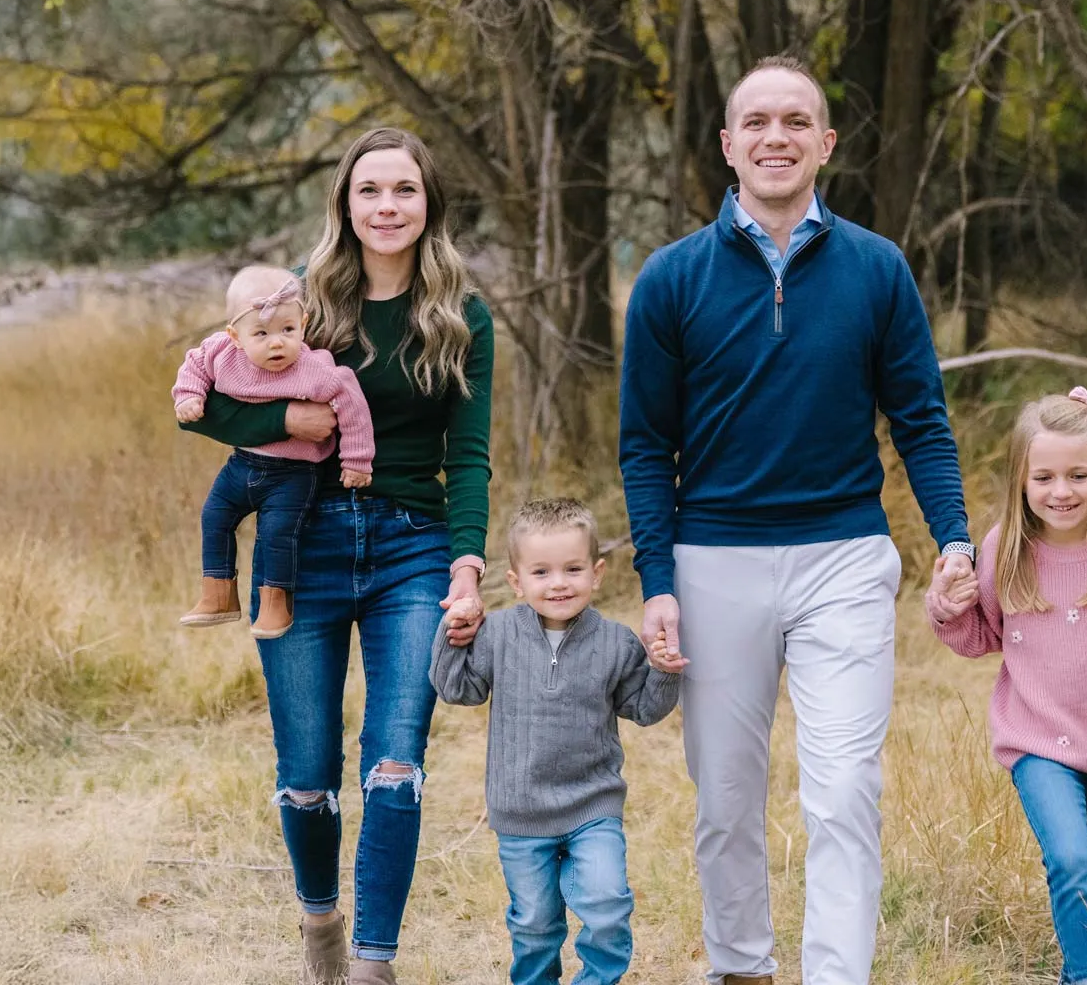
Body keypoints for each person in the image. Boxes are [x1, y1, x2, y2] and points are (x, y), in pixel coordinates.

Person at [618, 54, 974, 985]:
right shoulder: (670, 279)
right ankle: (741, 966)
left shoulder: (877, 269)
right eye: (757, 123)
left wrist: (955, 540)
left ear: (826, 143)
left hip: (845, 558)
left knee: (846, 789)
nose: (776, 137)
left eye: (796, 122)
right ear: (729, 145)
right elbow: (646, 447)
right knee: (727, 798)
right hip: (712, 560)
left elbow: (922, 422)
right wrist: (656, 582)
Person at [180, 127, 493, 985]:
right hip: (300, 544)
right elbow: (202, 402)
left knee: (395, 765)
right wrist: (284, 423)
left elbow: (466, 454)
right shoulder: (299, 300)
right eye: (369, 191)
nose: (386, 207)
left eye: (404, 190)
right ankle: (321, 919)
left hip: (413, 551)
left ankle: (372, 965)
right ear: (345, 205)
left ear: (429, 203)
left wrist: (467, 564)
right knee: (309, 775)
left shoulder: (461, 314)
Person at [924, 387, 1087, 985]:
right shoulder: (1006, 549)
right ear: (1022, 479)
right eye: (1043, 476)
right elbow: (978, 636)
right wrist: (947, 606)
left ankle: (1081, 972)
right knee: (1070, 861)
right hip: (1037, 741)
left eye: (1077, 474)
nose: (1061, 490)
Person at [430, 497, 685, 985]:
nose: (559, 583)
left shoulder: (616, 642)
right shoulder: (498, 634)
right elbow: (457, 689)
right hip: (521, 813)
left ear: (597, 572)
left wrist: (662, 671)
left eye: (573, 568)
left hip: (593, 807)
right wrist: (452, 631)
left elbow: (645, 709)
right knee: (535, 926)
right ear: (516, 581)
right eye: (542, 572)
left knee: (608, 905)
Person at [173, 266, 376, 638]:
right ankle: (217, 592)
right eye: (262, 334)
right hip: (242, 464)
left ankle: (275, 604)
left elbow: (351, 402)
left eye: (288, 330)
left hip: (294, 472)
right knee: (215, 516)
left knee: (277, 533)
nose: (277, 343)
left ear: (304, 323)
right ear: (235, 335)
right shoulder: (222, 353)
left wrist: (357, 460)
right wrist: (189, 395)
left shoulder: (314, 369)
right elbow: (195, 364)